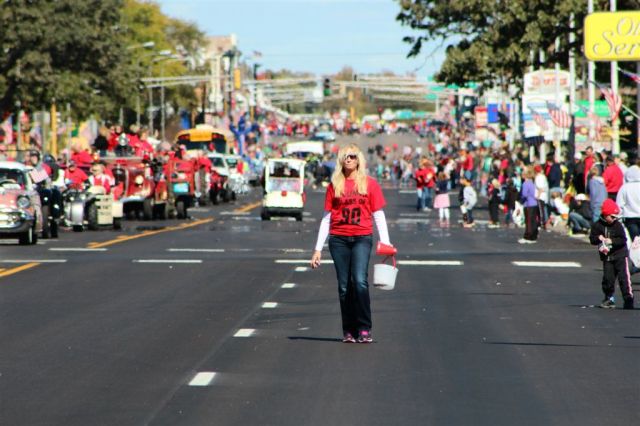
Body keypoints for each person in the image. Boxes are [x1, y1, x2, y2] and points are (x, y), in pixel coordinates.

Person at [310, 144, 391, 344]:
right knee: (344, 286)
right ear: (341, 160)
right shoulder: (334, 185)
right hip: (338, 240)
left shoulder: (370, 184)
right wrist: (318, 249)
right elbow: (326, 218)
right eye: (345, 156)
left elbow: (378, 214)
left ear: (358, 159)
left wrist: (386, 242)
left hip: (362, 237)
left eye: (352, 156)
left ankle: (364, 328)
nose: (348, 159)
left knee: (360, 281)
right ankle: (349, 330)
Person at [589, 199, 634, 310]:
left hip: (620, 255)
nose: (614, 219)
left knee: (624, 278)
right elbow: (592, 239)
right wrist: (598, 238)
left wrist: (612, 241)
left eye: (615, 217)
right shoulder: (597, 225)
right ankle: (609, 298)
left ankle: (628, 299)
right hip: (607, 257)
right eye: (612, 217)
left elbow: (623, 240)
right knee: (608, 279)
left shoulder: (618, 225)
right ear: (605, 215)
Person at [617, 165, 640, 241]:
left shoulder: (625, 187)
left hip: (630, 217)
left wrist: (619, 218)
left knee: (635, 241)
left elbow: (619, 204)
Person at [519, 167, 538, 244]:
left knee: (528, 221)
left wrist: (520, 200)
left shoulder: (525, 183)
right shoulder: (532, 182)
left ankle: (528, 236)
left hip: (528, 204)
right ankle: (533, 236)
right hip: (534, 203)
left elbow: (524, 194)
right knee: (533, 221)